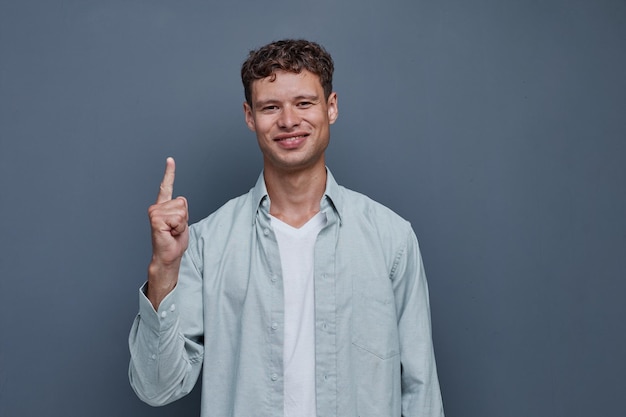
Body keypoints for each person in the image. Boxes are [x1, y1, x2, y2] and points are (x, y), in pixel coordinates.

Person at [129, 39, 444, 417]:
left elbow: (420, 388)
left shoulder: (391, 238)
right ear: (250, 116)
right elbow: (157, 388)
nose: (289, 121)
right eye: (270, 107)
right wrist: (164, 269)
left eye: (304, 103)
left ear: (332, 107)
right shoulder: (206, 244)